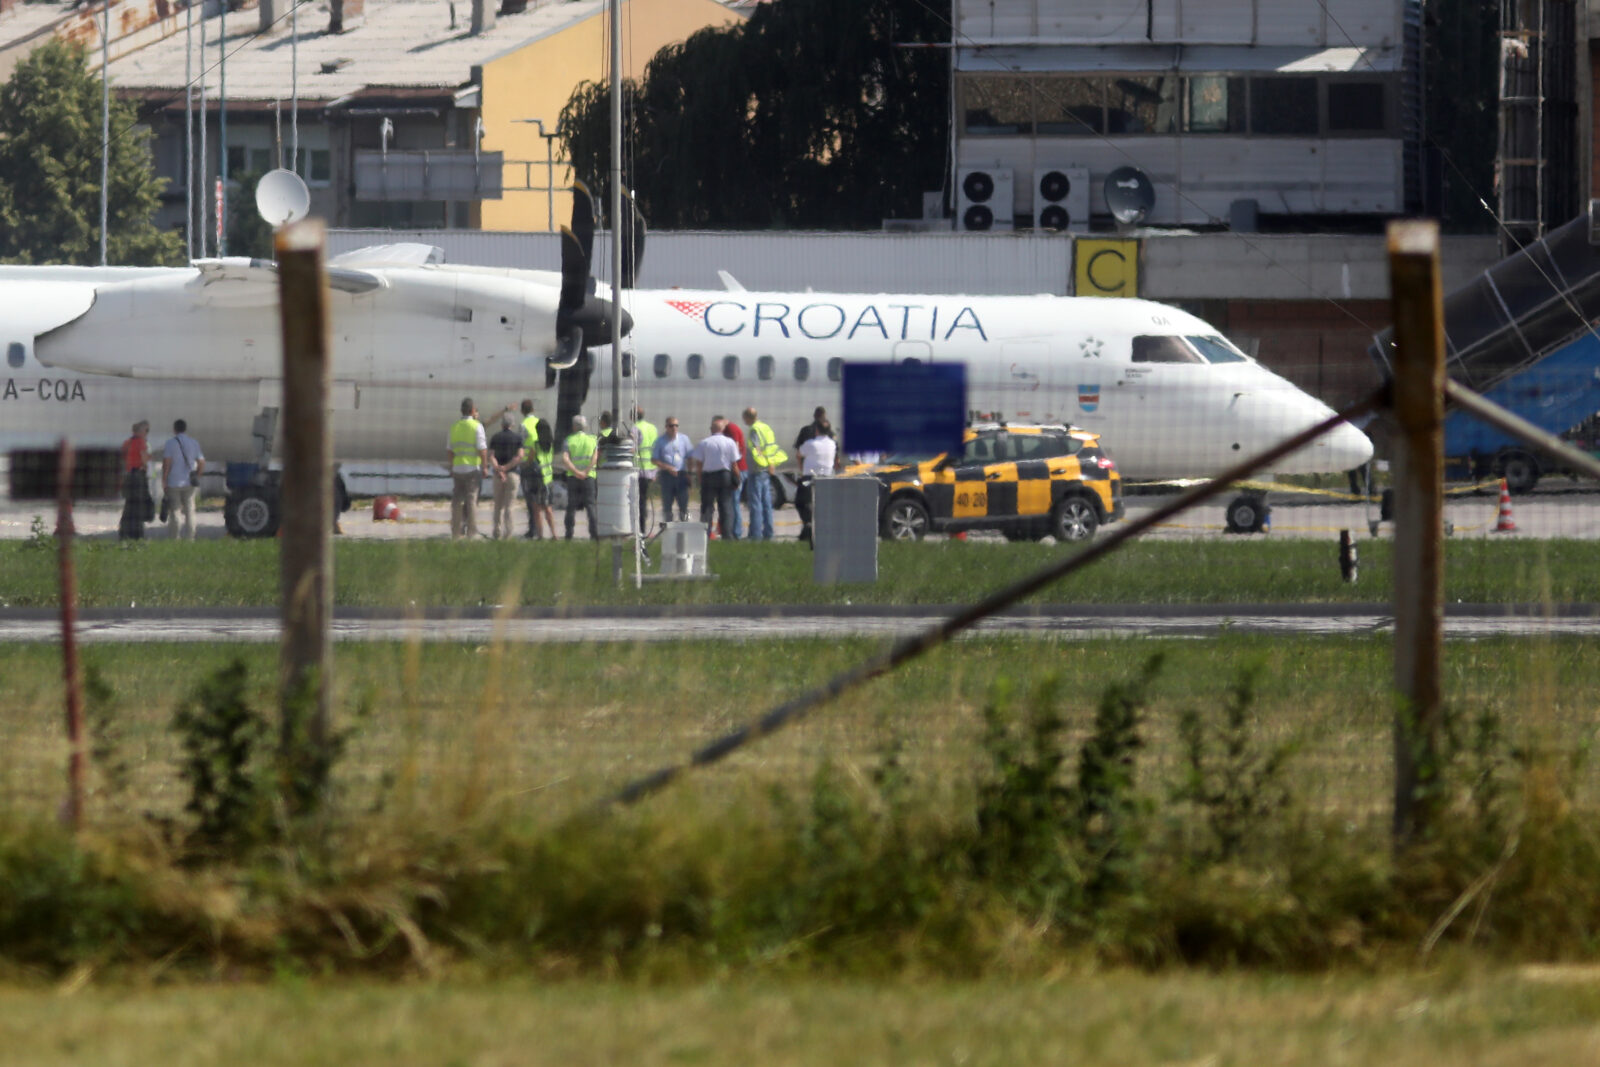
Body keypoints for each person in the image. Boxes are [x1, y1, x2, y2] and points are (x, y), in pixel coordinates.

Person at [741, 406, 787, 541]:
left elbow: (757, 449)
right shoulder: (765, 427)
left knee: (755, 503)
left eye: (744, 418)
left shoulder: (754, 429)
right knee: (767, 503)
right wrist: (769, 463)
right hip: (766, 470)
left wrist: (760, 463)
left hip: (757, 470)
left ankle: (755, 535)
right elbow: (771, 448)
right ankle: (769, 532)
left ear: (748, 417)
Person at [691, 416, 739, 540]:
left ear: (711, 429)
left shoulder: (704, 442)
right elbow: (734, 464)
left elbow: (699, 464)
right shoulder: (730, 442)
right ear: (722, 429)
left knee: (707, 507)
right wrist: (737, 478)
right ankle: (727, 535)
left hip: (709, 476)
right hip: (724, 475)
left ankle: (704, 535)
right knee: (726, 506)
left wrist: (700, 478)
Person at [447, 397, 488, 540]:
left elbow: (449, 450)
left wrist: (452, 466)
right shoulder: (476, 426)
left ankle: (455, 532)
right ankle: (472, 532)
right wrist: (484, 466)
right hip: (472, 469)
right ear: (472, 410)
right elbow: (482, 450)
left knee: (457, 501)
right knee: (471, 501)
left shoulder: (454, 427)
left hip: (458, 469)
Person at [160, 418, 205, 540]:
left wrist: (164, 479)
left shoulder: (170, 443)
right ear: (185, 429)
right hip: (189, 482)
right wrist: (198, 475)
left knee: (175, 510)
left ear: (174, 429)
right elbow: (201, 461)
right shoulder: (194, 442)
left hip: (174, 482)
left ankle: (175, 537)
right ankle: (190, 538)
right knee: (190, 510)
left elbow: (167, 463)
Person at [795, 419, 838, 546]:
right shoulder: (832, 444)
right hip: (827, 478)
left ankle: (808, 524)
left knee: (801, 502)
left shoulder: (810, 443)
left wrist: (801, 469)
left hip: (810, 477)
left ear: (817, 430)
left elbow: (799, 454)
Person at [519, 398, 557, 540]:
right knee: (548, 508)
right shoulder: (550, 445)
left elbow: (527, 454)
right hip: (548, 477)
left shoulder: (526, 429)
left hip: (536, 476)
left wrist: (523, 464)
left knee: (535, 507)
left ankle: (538, 533)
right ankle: (554, 534)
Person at [488, 410, 526, 540]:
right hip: (513, 474)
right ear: (512, 424)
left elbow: (491, 456)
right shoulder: (518, 438)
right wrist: (507, 468)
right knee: (509, 506)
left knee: (497, 505)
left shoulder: (495, 437)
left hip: (498, 476)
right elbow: (520, 456)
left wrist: (499, 469)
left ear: (501, 424)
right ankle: (508, 534)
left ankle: (496, 532)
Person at [562, 413, 599, 540]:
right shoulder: (593, 439)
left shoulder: (568, 440)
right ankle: (594, 534)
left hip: (573, 477)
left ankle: (569, 533)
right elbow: (595, 457)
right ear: (585, 426)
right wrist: (586, 471)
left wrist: (576, 472)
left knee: (571, 505)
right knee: (590, 505)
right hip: (589, 477)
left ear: (574, 427)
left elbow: (565, 459)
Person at [652, 415, 693, 522]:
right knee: (667, 505)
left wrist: (689, 474)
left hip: (681, 475)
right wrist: (667, 467)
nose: (674, 428)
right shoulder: (660, 441)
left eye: (676, 425)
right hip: (667, 476)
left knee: (684, 504)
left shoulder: (684, 439)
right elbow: (654, 459)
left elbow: (690, 457)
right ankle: (668, 526)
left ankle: (684, 525)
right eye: (671, 426)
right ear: (666, 427)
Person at [118, 420, 152, 541]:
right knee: (138, 507)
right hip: (138, 477)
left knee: (128, 506)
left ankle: (124, 532)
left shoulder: (126, 443)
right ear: (140, 431)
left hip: (128, 477)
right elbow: (144, 459)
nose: (147, 433)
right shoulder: (141, 442)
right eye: (146, 430)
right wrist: (146, 465)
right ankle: (137, 534)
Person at [720, 413, 748, 540]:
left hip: (738, 469)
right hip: (737, 468)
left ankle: (736, 532)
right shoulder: (729, 429)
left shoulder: (731, 428)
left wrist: (733, 467)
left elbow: (735, 448)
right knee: (732, 501)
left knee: (733, 501)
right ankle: (732, 530)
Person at [633, 405, 659, 533]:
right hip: (651, 469)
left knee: (639, 501)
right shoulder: (652, 428)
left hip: (639, 470)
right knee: (644, 499)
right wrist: (655, 471)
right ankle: (642, 527)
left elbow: (631, 448)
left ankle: (641, 529)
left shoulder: (635, 428)